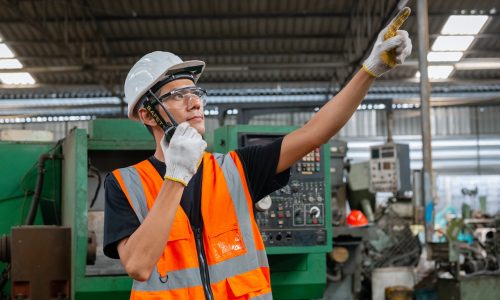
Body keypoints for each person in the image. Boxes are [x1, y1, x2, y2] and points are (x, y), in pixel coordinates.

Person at [103, 14, 412, 300]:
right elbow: (139, 266)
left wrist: (369, 71)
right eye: (176, 95)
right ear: (147, 114)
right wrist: (176, 176)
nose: (194, 102)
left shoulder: (237, 169)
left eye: (195, 92)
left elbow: (315, 132)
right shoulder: (124, 184)